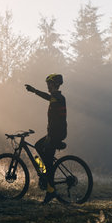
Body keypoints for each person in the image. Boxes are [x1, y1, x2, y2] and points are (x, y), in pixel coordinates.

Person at [25, 74, 67, 204]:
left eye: (49, 83)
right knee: (39, 147)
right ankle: (46, 177)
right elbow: (48, 97)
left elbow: (56, 120)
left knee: (45, 158)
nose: (47, 86)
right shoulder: (56, 97)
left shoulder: (58, 97)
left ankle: (50, 189)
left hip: (56, 134)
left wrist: (50, 137)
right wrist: (34, 91)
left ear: (54, 84)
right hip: (56, 133)